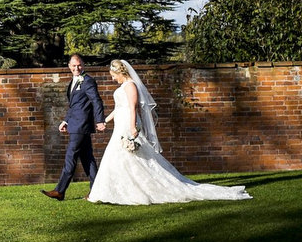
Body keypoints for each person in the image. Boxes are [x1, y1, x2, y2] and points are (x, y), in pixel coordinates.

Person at [86, 59, 252, 205]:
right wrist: (104, 121)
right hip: (120, 124)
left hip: (127, 124)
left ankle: (138, 189)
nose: (112, 78)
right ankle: (113, 191)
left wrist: (132, 127)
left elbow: (132, 107)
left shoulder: (130, 86)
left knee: (131, 156)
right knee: (117, 157)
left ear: (119, 72)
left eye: (113, 75)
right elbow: (119, 108)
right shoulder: (123, 86)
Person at [41, 54, 105, 201]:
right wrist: (66, 121)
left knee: (70, 157)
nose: (77, 68)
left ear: (84, 65)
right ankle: (97, 191)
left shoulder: (88, 81)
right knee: (88, 159)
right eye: (74, 65)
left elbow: (96, 101)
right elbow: (75, 106)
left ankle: (60, 190)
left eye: (79, 65)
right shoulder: (73, 81)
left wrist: (100, 120)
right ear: (69, 66)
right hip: (75, 124)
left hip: (81, 126)